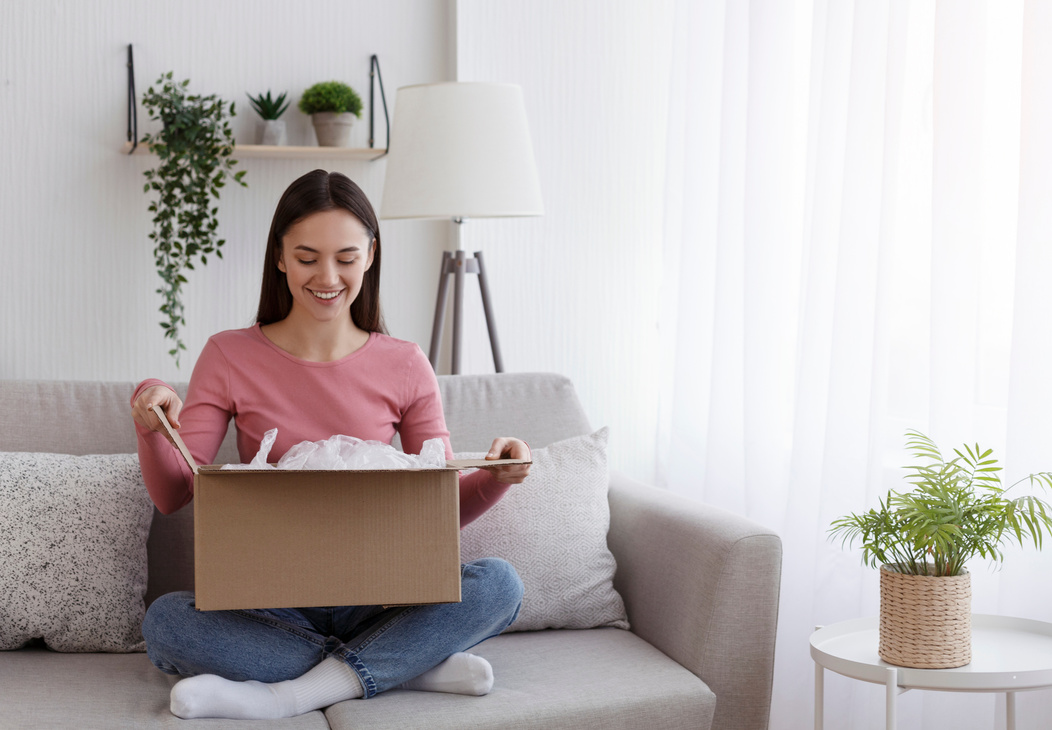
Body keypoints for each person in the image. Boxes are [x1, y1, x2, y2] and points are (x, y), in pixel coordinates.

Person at [130, 169, 531, 721]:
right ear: (279, 258)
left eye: (345, 257)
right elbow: (175, 495)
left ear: (371, 254)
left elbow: (439, 511)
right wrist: (151, 426)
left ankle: (286, 694)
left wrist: (494, 477)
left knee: (501, 584)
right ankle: (408, 666)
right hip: (269, 603)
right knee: (167, 621)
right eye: (307, 257)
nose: (327, 276)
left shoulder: (406, 363)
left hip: (381, 596)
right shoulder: (228, 355)